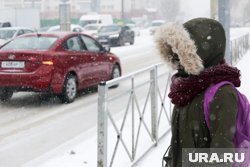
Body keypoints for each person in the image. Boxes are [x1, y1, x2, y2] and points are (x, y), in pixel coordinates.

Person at [155, 18, 241, 166]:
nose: (177, 58)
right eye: (175, 52)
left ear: (201, 53)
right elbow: (177, 145)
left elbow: (222, 157)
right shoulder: (185, 88)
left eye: (182, 52)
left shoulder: (222, 94)